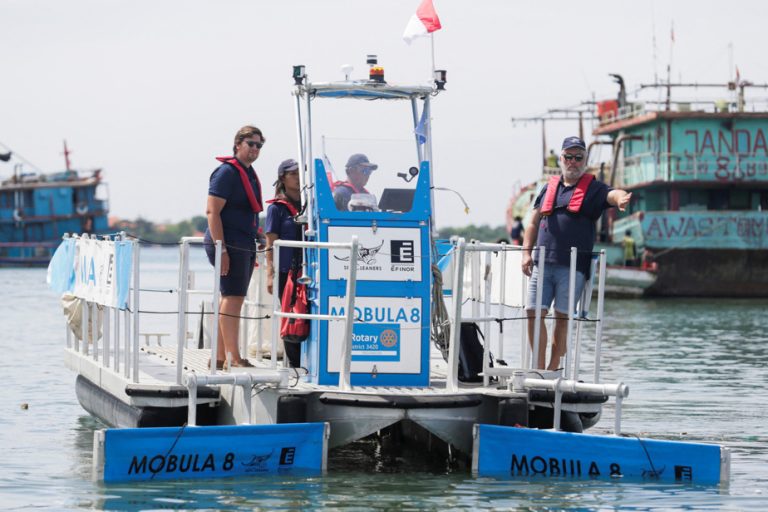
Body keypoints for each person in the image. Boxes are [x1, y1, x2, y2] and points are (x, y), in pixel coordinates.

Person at [522, 136, 632, 370]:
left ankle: (553, 367)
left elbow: (611, 195)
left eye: (578, 157)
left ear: (585, 160)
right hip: (543, 263)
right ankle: (538, 367)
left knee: (562, 318)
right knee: (533, 312)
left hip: (571, 267)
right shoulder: (548, 188)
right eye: (568, 157)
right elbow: (532, 223)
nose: (573, 162)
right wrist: (525, 253)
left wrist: (621, 198)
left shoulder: (594, 188)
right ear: (561, 159)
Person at [203, 125, 265, 369]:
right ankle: (233, 357)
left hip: (244, 241)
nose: (255, 149)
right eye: (251, 143)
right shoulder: (226, 173)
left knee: (231, 298)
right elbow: (212, 211)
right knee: (233, 297)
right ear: (238, 144)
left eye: (259, 145)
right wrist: (222, 249)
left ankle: (218, 358)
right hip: (228, 242)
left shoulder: (248, 173)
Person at [265, 158, 304, 368]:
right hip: (285, 271)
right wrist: (269, 274)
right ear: (283, 178)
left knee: (308, 316)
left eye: (301, 174)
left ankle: (307, 361)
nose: (298, 179)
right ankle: (293, 366)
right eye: (293, 174)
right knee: (291, 316)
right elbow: (270, 243)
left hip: (308, 271)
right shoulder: (276, 208)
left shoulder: (309, 204)